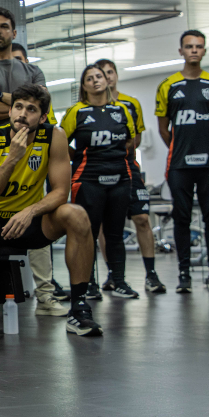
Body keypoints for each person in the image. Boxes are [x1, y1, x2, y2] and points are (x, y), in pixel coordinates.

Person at [0, 84, 101, 339]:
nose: (22, 114)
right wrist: (12, 158)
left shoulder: (54, 136)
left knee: (76, 214)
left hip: (29, 220)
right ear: (9, 111)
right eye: (18, 107)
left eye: (31, 109)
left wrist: (31, 211)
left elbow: (60, 191)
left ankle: (78, 307)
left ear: (42, 117)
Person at [0, 8, 66, 314]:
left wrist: (0, 96)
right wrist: (21, 103)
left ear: (14, 33)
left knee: (41, 210)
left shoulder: (32, 70)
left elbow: (44, 104)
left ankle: (45, 294)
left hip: (32, 154)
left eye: (3, 27)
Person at [155, 29, 209, 293]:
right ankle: (184, 274)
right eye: (189, 46)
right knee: (182, 218)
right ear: (181, 51)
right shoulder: (168, 86)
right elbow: (164, 128)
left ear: (204, 50)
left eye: (199, 46)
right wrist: (179, 147)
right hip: (179, 165)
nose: (194, 50)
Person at [60, 65, 139, 299]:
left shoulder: (122, 111)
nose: (95, 81)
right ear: (83, 86)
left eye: (99, 77)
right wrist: (80, 160)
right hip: (88, 181)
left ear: (107, 80)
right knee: (87, 235)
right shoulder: (77, 112)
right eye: (89, 79)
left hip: (120, 179)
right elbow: (61, 143)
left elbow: (130, 140)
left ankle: (119, 281)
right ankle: (89, 284)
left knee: (115, 234)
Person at [95, 59, 161, 292]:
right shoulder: (86, 109)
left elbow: (137, 139)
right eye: (102, 74)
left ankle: (151, 274)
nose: (107, 77)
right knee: (106, 225)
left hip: (128, 169)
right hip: (100, 171)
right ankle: (113, 274)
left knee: (142, 219)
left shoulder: (130, 104)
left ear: (116, 75)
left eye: (110, 72)